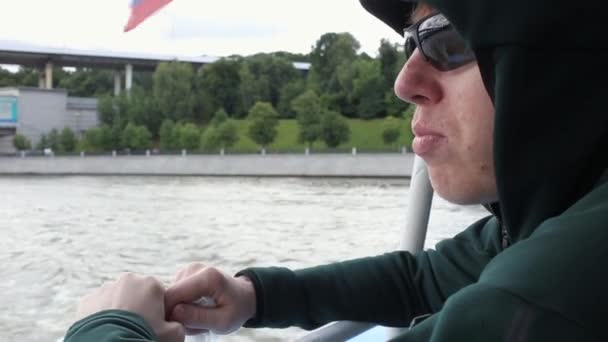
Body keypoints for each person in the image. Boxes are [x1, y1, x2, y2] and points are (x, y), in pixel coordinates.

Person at [64, 0, 608, 341]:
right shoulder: (561, 211)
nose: (405, 80)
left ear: (557, 61)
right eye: (409, 44)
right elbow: (420, 278)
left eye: (450, 42)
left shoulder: (548, 295)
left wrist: (107, 329)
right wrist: (255, 296)